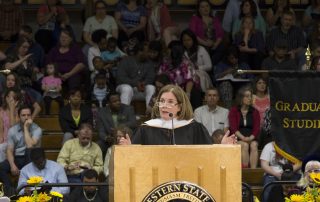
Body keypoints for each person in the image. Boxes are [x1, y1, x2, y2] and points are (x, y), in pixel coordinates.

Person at [120, 84, 237, 145]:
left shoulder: (194, 128)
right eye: (162, 101)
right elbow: (134, 157)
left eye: (170, 102)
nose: (164, 105)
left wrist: (222, 147)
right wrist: (128, 149)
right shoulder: (146, 129)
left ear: (180, 107)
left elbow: (209, 153)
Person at [0, 105, 42, 190]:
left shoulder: (37, 129)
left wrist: (26, 128)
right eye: (23, 115)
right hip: (18, 158)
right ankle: (10, 190)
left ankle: (28, 190)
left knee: (29, 151)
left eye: (28, 115)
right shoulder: (13, 130)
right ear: (19, 117)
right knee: (1, 167)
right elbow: (9, 150)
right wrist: (12, 165)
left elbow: (30, 145)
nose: (26, 117)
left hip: (33, 158)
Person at [158, 41, 202, 109]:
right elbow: (161, 77)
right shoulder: (165, 61)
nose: (168, 51)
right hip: (170, 88)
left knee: (195, 92)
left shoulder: (186, 63)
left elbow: (190, 80)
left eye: (170, 49)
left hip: (186, 89)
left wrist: (187, 94)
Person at [116, 40, 156, 108]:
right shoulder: (126, 60)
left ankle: (150, 113)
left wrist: (144, 83)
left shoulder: (149, 63)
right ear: (140, 52)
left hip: (141, 89)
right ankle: (123, 115)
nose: (149, 54)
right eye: (147, 52)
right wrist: (135, 83)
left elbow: (151, 77)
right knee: (127, 88)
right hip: (125, 89)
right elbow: (120, 77)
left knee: (151, 88)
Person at [4, 37, 43, 105]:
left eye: (27, 48)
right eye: (24, 47)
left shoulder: (29, 60)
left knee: (39, 97)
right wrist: (23, 59)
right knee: (24, 98)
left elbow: (33, 78)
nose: (26, 49)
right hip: (16, 87)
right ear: (18, 46)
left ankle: (30, 114)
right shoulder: (12, 56)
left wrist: (35, 72)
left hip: (28, 87)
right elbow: (8, 67)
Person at [229, 85, 260, 168]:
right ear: (241, 98)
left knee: (254, 145)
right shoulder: (234, 110)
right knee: (245, 145)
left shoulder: (255, 112)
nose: (249, 98)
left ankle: (253, 172)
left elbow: (257, 128)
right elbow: (233, 128)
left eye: (250, 96)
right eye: (247, 96)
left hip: (252, 137)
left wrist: (250, 138)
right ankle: (245, 171)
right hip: (237, 138)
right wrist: (243, 138)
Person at [189, 0, 224, 64]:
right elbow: (193, 34)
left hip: (214, 44)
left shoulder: (215, 19)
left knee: (222, 47)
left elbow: (220, 34)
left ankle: (211, 66)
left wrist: (215, 44)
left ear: (210, 8)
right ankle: (209, 67)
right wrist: (205, 43)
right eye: (202, 7)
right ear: (199, 9)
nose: (205, 8)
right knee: (203, 49)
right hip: (201, 43)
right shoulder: (195, 19)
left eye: (207, 6)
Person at [0, 88, 20, 162]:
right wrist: (1, 140)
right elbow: (1, 130)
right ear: (5, 98)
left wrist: (12, 109)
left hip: (16, 142)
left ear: (17, 101)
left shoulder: (19, 112)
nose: (11, 99)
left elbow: (13, 127)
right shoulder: (1, 111)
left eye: (13, 97)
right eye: (9, 96)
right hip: (5, 141)